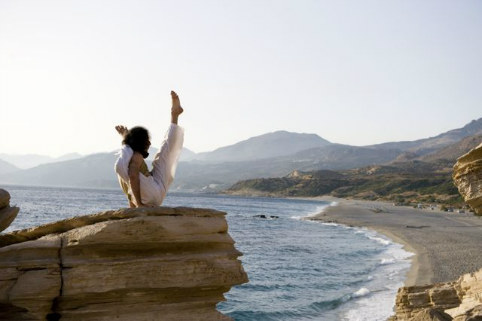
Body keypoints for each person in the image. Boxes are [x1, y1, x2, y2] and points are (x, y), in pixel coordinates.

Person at [114, 90, 184, 208]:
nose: (150, 143)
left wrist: (134, 207)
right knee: (164, 154)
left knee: (162, 158)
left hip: (148, 196)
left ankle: (175, 115)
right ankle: (174, 115)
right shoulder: (136, 156)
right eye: (147, 141)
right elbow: (133, 176)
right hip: (152, 195)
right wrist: (140, 204)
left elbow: (129, 189)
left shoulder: (123, 164)